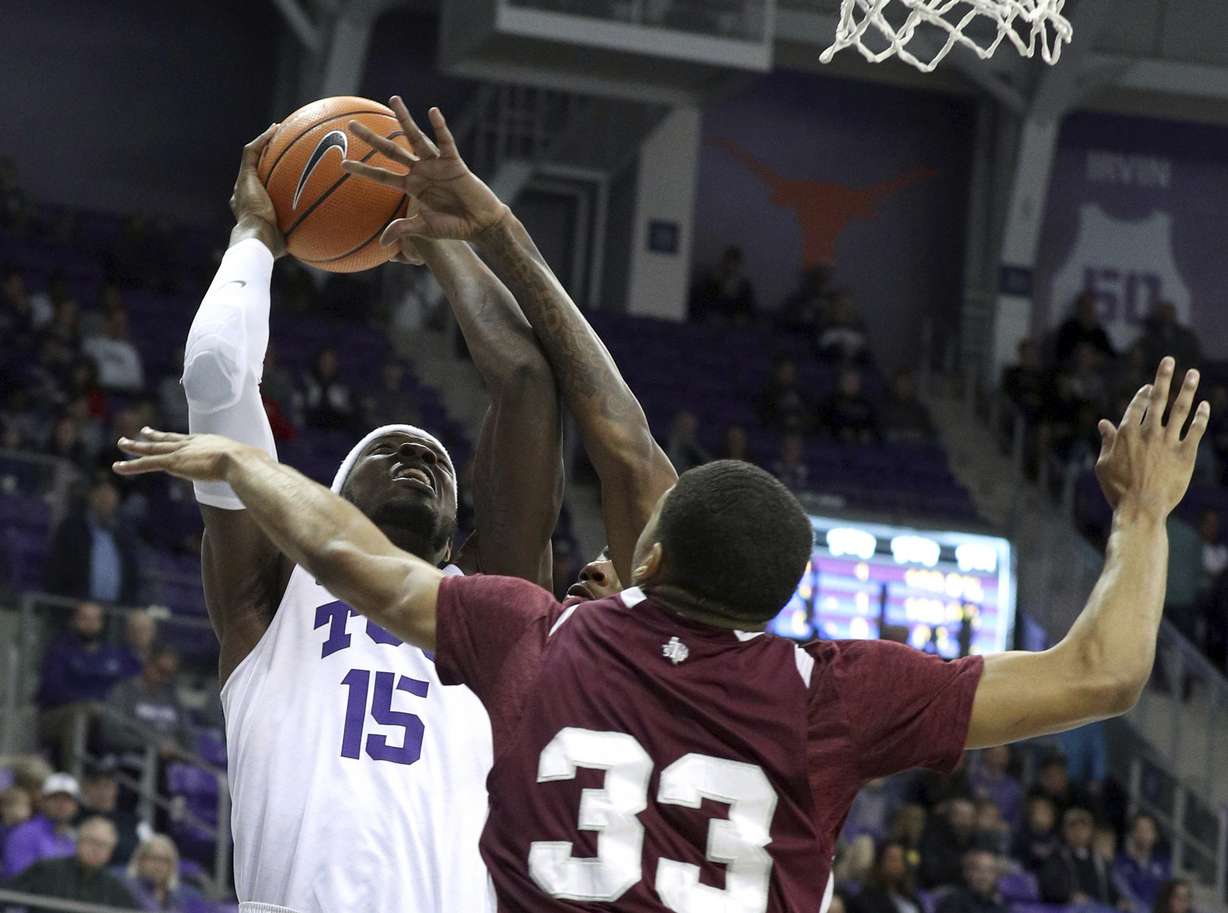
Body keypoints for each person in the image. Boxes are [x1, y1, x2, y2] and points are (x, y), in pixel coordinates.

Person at [121, 100, 1209, 913]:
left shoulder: (540, 642)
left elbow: (537, 452)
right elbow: (1103, 674)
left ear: (645, 553)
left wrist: (251, 464)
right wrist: (1144, 515)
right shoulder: (825, 693)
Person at [152, 122, 563, 913]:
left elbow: (526, 382)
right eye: (393, 452)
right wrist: (254, 234)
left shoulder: (492, 611)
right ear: (328, 502)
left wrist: (435, 239)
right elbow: (213, 373)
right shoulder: (272, 596)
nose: (421, 461)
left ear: (456, 535)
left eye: (439, 465)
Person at [36, 601, 131, 767]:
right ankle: (72, 776)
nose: (90, 624)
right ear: (73, 621)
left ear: (101, 624)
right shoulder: (59, 650)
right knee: (79, 716)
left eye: (95, 619)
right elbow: (53, 690)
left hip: (103, 716)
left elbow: (124, 687)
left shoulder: (112, 654)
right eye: (84, 619)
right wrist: (88, 703)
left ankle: (111, 771)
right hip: (55, 715)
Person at [43, 474, 141, 605]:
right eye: (101, 492)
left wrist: (135, 609)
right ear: (90, 495)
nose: (105, 498)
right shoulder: (71, 529)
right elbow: (57, 572)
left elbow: (132, 578)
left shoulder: (124, 536)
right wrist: (76, 603)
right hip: (76, 609)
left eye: (111, 493)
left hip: (116, 615)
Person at [4, 816, 137, 908]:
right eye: (91, 841)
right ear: (78, 842)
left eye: (103, 845)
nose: (95, 849)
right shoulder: (47, 869)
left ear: (110, 852)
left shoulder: (115, 887)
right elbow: (8, 896)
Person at [101, 645, 191, 769]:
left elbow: (187, 734)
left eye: (170, 674)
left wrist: (180, 750)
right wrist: (153, 745)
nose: (165, 679)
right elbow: (112, 733)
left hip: (170, 763)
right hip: (134, 760)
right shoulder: (124, 692)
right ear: (148, 664)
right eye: (161, 671)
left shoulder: (172, 697)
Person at [1039, 807, 1122, 906]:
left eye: (1083, 828)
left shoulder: (1100, 861)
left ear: (1090, 831)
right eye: (1073, 828)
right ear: (1065, 831)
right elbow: (1048, 887)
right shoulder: (1056, 858)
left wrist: (1119, 901)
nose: (1078, 832)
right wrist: (1069, 896)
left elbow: (1110, 890)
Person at [2, 773, 79, 878]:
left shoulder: (73, 839)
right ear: (42, 801)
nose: (61, 804)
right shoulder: (24, 833)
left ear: (75, 806)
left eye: (67, 799)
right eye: (55, 798)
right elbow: (21, 878)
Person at [75, 760, 141, 866]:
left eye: (107, 785)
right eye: (96, 785)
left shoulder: (133, 821)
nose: (102, 791)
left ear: (115, 789)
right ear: (85, 787)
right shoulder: (74, 817)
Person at [123, 833, 209, 913]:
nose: (159, 866)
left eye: (165, 861)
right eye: (154, 858)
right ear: (141, 860)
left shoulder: (180, 896)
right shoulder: (126, 888)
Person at [919, 797, 978, 889]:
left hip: (972, 890)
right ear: (950, 817)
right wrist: (961, 863)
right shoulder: (933, 840)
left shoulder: (978, 839)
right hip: (942, 889)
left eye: (969, 816)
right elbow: (931, 874)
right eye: (961, 816)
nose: (965, 821)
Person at [1115, 814, 1171, 911]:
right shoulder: (1120, 863)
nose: (1144, 834)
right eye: (1139, 829)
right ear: (1132, 833)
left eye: (1148, 830)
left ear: (1155, 835)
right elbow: (1121, 892)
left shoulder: (1163, 865)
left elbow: (1166, 896)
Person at [83, 306, 145, 392]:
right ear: (107, 323)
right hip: (94, 391)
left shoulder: (129, 350)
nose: (120, 327)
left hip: (122, 395)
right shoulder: (92, 343)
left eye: (123, 324)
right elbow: (87, 373)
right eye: (117, 323)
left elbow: (135, 381)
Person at [851, 840, 924, 913]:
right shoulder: (866, 900)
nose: (898, 865)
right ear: (879, 864)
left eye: (901, 860)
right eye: (893, 860)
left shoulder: (912, 899)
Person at [688, 245, 756, 324]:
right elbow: (700, 304)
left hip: (733, 327)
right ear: (723, 262)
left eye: (734, 262)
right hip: (712, 323)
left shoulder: (744, 287)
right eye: (728, 261)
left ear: (739, 265)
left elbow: (749, 313)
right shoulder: (710, 282)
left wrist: (739, 319)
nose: (730, 266)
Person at [936, 849, 1009, 913]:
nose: (984, 876)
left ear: (997, 876)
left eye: (990, 871)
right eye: (978, 870)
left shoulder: (1000, 908)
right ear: (966, 873)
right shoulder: (953, 902)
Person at [821, 367, 880, 444]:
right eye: (848, 381)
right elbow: (823, 427)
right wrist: (838, 433)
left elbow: (875, 427)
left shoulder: (866, 404)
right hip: (836, 446)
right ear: (841, 382)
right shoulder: (829, 403)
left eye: (854, 381)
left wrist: (868, 434)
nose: (851, 385)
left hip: (862, 447)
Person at [970, 745, 1023, 832]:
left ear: (1008, 758)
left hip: (1002, 831)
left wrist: (1005, 825)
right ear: (985, 754)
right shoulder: (972, 780)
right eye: (995, 754)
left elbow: (1016, 819)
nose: (998, 759)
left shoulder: (1013, 787)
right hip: (975, 827)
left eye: (1003, 755)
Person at [1055, 292, 1115, 366]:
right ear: (1078, 309)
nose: (1089, 312)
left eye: (1091, 308)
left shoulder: (1099, 332)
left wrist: (1095, 359)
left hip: (1095, 374)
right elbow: (1061, 355)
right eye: (1085, 308)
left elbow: (1111, 357)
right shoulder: (1068, 329)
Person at [880, 369, 936, 444]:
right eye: (900, 383)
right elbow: (879, 432)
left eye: (906, 383)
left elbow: (930, 433)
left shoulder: (920, 410)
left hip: (914, 450)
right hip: (891, 450)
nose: (903, 386)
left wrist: (916, 435)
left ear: (911, 385)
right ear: (894, 386)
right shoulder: (885, 408)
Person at [757, 357, 810, 433]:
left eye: (791, 372)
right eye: (785, 372)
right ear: (777, 373)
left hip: (799, 433)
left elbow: (809, 416)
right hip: (776, 433)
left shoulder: (802, 394)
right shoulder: (767, 395)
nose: (788, 376)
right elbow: (766, 418)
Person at [1013, 794, 1060, 874]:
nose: (1044, 816)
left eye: (1047, 812)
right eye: (1040, 812)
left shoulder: (1058, 837)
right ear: (1031, 815)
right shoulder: (1022, 836)